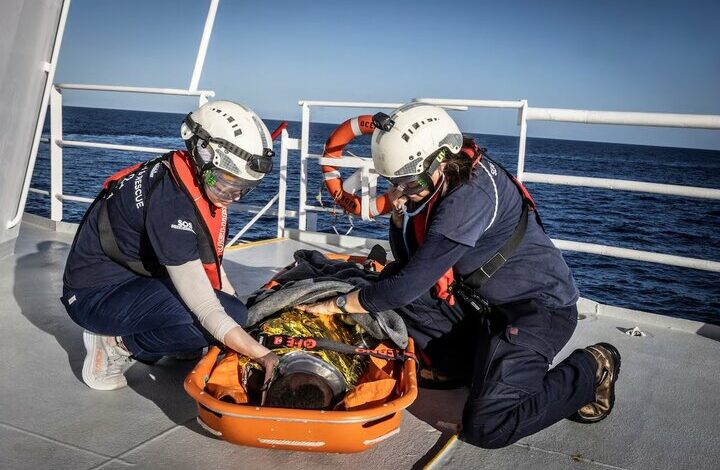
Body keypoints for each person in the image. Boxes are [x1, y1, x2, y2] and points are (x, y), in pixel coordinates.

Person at [298, 103, 621, 448]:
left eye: (411, 182)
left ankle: (593, 367)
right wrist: (396, 220)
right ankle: (468, 366)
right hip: (486, 308)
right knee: (392, 279)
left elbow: (407, 285)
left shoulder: (468, 198)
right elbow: (411, 263)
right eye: (395, 183)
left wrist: (339, 305)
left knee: (487, 426)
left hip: (538, 309)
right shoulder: (447, 180)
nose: (404, 192)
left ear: (441, 158)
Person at [62, 100, 279, 391]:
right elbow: (206, 307)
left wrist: (242, 324)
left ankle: (168, 337)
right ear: (203, 153)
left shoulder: (184, 174)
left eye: (243, 188)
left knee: (230, 315)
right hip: (94, 297)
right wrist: (262, 354)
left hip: (133, 280)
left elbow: (212, 270)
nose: (234, 196)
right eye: (225, 183)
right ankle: (116, 344)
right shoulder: (170, 205)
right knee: (223, 318)